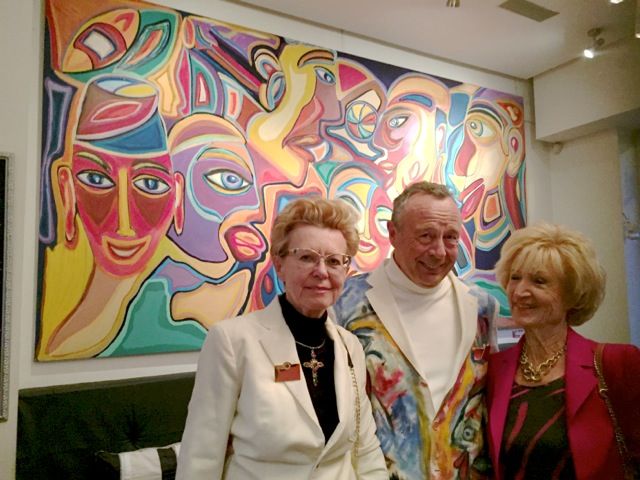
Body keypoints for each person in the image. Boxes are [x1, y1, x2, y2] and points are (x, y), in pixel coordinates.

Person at [176, 198, 388, 479]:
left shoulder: (350, 347)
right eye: (307, 257)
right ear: (279, 265)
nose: (321, 271)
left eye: (334, 261)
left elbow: (365, 447)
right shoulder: (232, 341)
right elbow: (201, 455)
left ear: (345, 271)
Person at [333, 181, 499, 479]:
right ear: (393, 233)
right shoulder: (344, 303)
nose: (439, 252)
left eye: (450, 238)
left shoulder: (481, 307)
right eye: (426, 236)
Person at [486, 222, 640, 479]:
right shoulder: (493, 369)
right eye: (515, 278)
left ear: (572, 295)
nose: (520, 292)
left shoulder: (618, 363)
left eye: (539, 281)